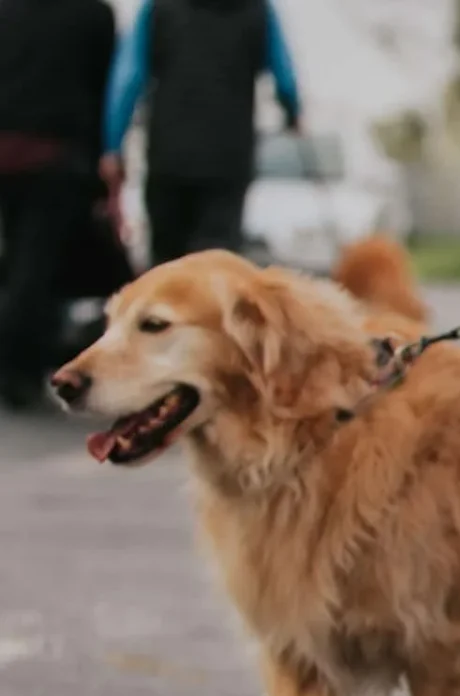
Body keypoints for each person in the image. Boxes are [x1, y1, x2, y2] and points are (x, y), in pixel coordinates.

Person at [100, 0, 302, 267]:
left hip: (169, 155)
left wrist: (113, 146)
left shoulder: (157, 7)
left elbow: (128, 79)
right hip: (228, 158)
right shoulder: (258, 8)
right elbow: (284, 76)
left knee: (167, 262)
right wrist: (293, 113)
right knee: (216, 260)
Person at [0, 0, 117, 410]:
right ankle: (17, 372)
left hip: (8, 148)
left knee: (18, 265)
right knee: (35, 269)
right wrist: (101, 167)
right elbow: (103, 90)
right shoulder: (93, 14)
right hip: (55, 158)